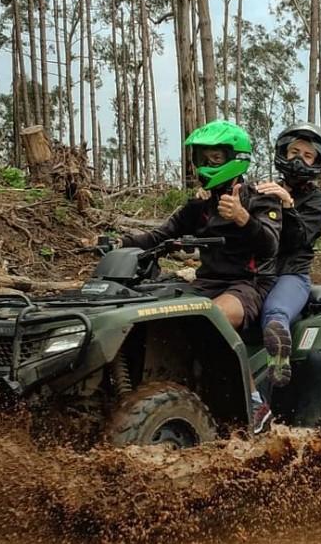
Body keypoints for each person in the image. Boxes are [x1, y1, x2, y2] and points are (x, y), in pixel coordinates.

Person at [118, 120, 282, 432]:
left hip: (248, 285)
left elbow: (270, 245)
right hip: (206, 283)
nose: (207, 165)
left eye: (215, 159)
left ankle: (256, 404)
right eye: (202, 158)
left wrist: (243, 218)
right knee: (155, 311)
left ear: (235, 158)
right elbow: (162, 234)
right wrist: (119, 243)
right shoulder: (201, 204)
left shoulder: (261, 198)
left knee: (213, 317)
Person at [256, 123, 321, 392]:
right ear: (282, 154)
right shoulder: (262, 191)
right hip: (255, 274)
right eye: (294, 152)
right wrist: (208, 197)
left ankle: (278, 361)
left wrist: (287, 205)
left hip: (291, 275)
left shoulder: (318, 201)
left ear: (317, 162)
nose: (299, 159)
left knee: (275, 313)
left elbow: (299, 239)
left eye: (307, 155)